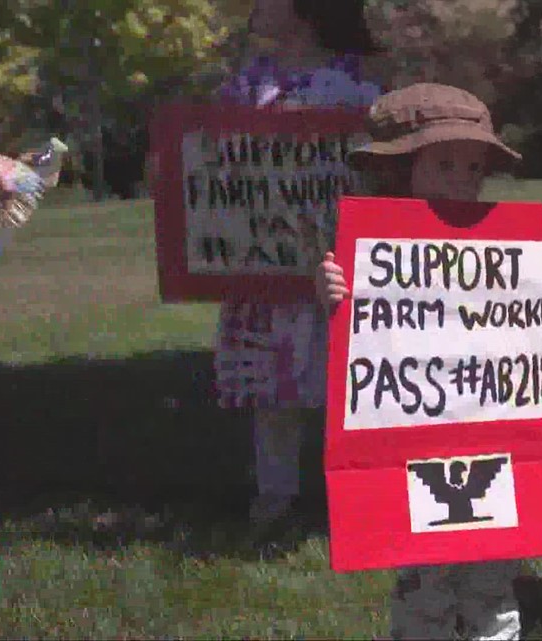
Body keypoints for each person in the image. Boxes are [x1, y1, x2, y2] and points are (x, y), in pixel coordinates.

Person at [315, 82, 542, 641]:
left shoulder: (504, 246)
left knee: (493, 576)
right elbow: (354, 344)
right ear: (398, 171)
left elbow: (536, 323)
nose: (463, 181)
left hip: (494, 443)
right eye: (445, 165)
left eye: (473, 168)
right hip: (408, 448)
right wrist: (331, 291)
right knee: (424, 580)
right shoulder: (368, 250)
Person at [213, 0, 385, 538]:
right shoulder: (243, 90)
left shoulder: (355, 93)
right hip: (264, 263)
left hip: (335, 267)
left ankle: (359, 495)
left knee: (347, 379)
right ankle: (276, 495)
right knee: (272, 387)